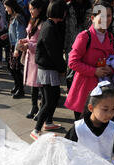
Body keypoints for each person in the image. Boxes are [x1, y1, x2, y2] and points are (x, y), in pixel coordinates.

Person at [64, 1, 114, 121]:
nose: (106, 19)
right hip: (84, 90)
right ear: (92, 18)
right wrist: (94, 71)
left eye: (108, 16)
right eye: (102, 16)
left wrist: (110, 68)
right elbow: (72, 62)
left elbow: (111, 59)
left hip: (102, 90)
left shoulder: (110, 37)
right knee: (83, 128)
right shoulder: (84, 37)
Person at [65, 81, 114, 165]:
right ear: (91, 108)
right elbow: (67, 146)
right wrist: (56, 142)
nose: (110, 114)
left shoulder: (113, 128)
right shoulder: (79, 127)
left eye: (113, 109)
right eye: (105, 109)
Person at [29, 0, 67, 141]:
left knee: (52, 97)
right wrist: (62, 68)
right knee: (49, 101)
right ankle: (36, 129)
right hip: (47, 69)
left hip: (47, 68)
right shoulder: (50, 27)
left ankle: (48, 123)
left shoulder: (50, 25)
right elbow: (54, 53)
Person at [17, 0, 47, 118]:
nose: (30, 11)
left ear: (40, 9)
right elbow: (30, 37)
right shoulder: (32, 20)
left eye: (32, 9)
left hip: (38, 57)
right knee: (33, 85)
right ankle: (34, 106)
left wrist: (29, 45)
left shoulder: (43, 22)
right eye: (29, 9)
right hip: (30, 56)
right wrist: (25, 41)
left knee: (40, 85)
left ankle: (41, 108)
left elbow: (42, 43)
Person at [5, 0, 28, 99]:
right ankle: (17, 85)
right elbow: (14, 32)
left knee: (17, 69)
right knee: (11, 67)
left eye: (6, 7)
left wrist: (17, 50)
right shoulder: (13, 17)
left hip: (17, 47)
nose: (6, 10)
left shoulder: (18, 18)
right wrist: (6, 35)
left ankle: (21, 90)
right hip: (12, 45)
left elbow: (20, 35)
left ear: (11, 7)